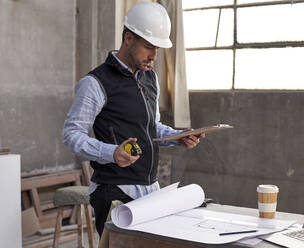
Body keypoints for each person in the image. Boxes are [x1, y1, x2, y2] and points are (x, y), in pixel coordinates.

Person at [62, 1, 205, 237]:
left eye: (158, 49)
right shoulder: (96, 83)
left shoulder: (150, 78)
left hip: (150, 190)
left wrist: (178, 137)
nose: (154, 56)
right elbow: (71, 135)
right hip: (114, 191)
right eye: (149, 47)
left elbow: (151, 128)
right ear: (128, 38)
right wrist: (112, 153)